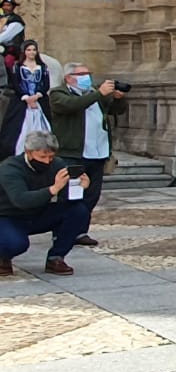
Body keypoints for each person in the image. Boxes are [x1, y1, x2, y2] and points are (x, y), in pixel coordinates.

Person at [48, 61, 126, 246]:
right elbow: (72, 105)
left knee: (92, 195)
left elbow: (117, 110)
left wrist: (119, 97)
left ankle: (79, 230)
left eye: (88, 73)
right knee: (70, 195)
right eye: (81, 74)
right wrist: (99, 93)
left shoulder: (94, 94)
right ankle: (61, 232)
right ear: (69, 78)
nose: (87, 77)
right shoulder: (59, 94)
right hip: (73, 154)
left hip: (97, 153)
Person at [0, 131, 91, 276]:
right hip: (8, 216)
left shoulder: (57, 164)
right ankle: (3, 256)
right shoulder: (10, 168)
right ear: (29, 153)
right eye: (42, 156)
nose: (47, 161)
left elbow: (65, 198)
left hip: (37, 213)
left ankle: (56, 258)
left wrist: (79, 188)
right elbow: (21, 200)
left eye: (51, 156)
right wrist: (53, 189)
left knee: (78, 210)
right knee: (15, 243)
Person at [1, 40, 51, 155]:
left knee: (42, 127)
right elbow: (15, 83)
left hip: (38, 100)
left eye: (34, 50)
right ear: (24, 51)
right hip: (22, 101)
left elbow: (45, 84)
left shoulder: (42, 67)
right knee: (18, 129)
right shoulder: (18, 67)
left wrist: (37, 95)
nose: (32, 52)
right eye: (29, 50)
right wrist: (26, 97)